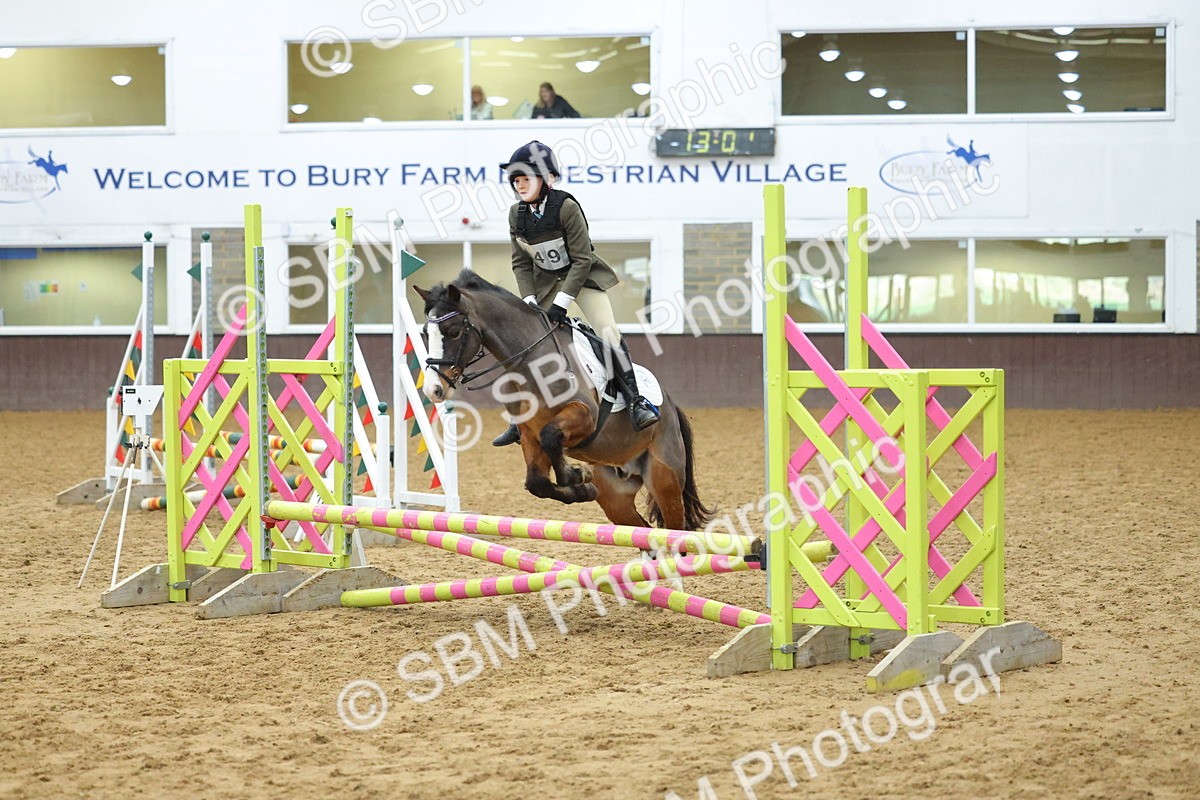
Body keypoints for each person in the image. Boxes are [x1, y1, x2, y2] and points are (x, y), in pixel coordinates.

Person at [492, 140, 659, 446]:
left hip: (582, 281)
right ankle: (520, 419)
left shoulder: (566, 207)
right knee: (527, 343)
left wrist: (563, 302)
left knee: (607, 333)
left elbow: (581, 260)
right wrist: (528, 297)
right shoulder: (517, 215)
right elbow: (521, 262)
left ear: (548, 179)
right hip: (544, 287)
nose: (519, 185)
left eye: (525, 178)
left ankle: (636, 401)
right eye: (516, 180)